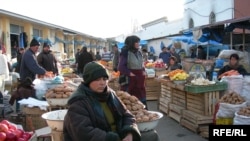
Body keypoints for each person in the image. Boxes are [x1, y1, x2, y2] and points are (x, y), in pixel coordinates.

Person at [63, 61, 141, 141]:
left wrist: (129, 133)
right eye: (97, 79)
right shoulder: (78, 102)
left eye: (104, 79)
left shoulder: (110, 94)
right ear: (88, 81)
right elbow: (83, 132)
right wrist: (111, 138)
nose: (102, 83)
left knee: (151, 135)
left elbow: (127, 115)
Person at [118, 35, 148, 109]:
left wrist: (143, 71)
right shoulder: (125, 52)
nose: (138, 44)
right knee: (129, 100)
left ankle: (143, 112)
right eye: (136, 42)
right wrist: (131, 74)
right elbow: (121, 67)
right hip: (130, 80)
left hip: (139, 80)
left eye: (138, 42)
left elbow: (141, 64)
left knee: (141, 96)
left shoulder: (139, 52)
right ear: (131, 43)